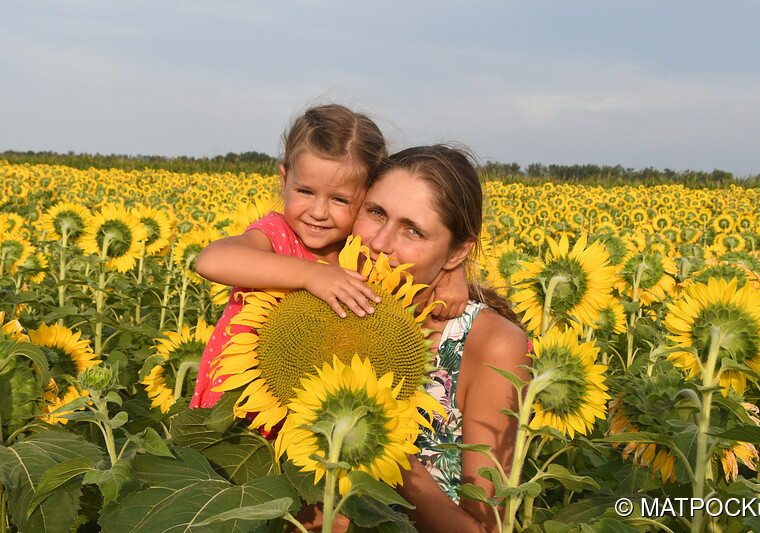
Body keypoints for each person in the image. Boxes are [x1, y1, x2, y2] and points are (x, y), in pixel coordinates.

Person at [190, 105, 468, 410]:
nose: (319, 212)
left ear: (366, 199)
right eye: (305, 192)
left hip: (304, 404)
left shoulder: (358, 250)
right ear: (284, 181)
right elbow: (212, 260)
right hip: (238, 394)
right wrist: (310, 274)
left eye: (339, 199)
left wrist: (454, 274)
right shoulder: (277, 234)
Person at [351, 145, 530, 532]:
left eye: (412, 230)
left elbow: (485, 526)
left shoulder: (490, 343)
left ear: (458, 252)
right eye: (376, 212)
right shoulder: (320, 295)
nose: (380, 243)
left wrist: (381, 445)